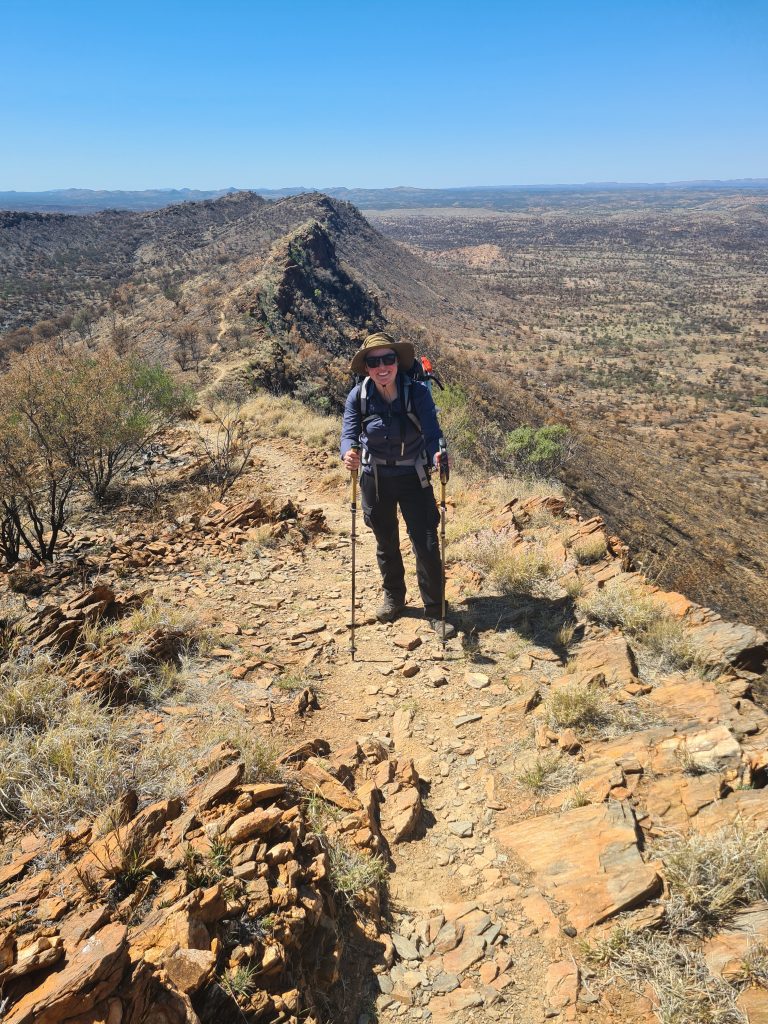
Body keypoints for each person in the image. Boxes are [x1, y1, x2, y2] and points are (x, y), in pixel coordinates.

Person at [340, 332, 456, 639]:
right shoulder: (358, 396)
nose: (382, 367)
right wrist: (347, 453)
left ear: (397, 361)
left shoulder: (416, 393)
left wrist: (438, 455)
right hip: (375, 477)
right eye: (374, 362)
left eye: (388, 359)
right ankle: (394, 597)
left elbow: (433, 433)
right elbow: (348, 434)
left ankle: (435, 609)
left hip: (413, 475)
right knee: (385, 539)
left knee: (426, 543)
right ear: (366, 367)